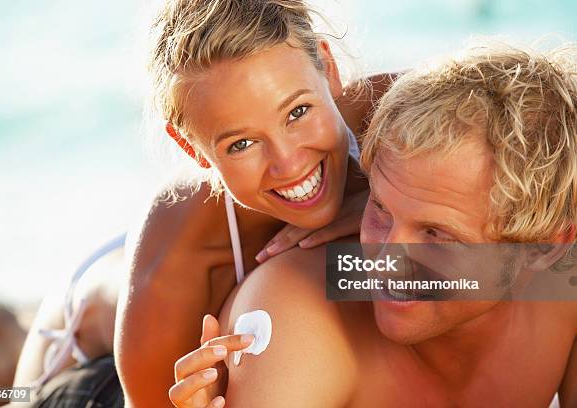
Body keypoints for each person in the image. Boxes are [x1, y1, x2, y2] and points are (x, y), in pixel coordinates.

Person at [7, 0, 394, 406]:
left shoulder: (400, 115)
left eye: (298, 112)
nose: (289, 163)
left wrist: (376, 201)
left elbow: (463, 273)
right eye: (241, 143)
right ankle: (1, 350)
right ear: (191, 148)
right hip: (86, 357)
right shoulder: (177, 261)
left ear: (328, 70)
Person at [172, 42, 577, 407]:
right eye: (379, 207)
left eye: (435, 234)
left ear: (544, 248)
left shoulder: (566, 288)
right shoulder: (299, 318)